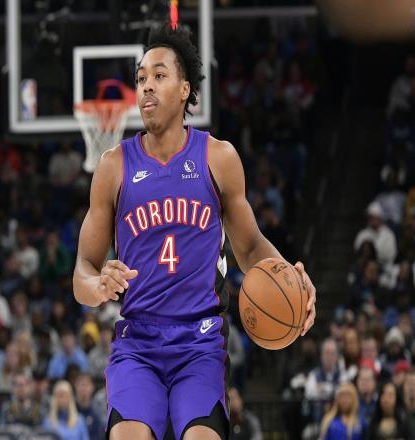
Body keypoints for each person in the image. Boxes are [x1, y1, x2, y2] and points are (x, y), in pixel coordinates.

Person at [72, 22, 316, 440]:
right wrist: (97, 286)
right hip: (138, 341)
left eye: (159, 75)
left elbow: (250, 247)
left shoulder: (218, 158)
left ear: (185, 89)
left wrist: (290, 276)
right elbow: (82, 272)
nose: (146, 86)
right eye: (141, 79)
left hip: (200, 343)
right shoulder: (113, 166)